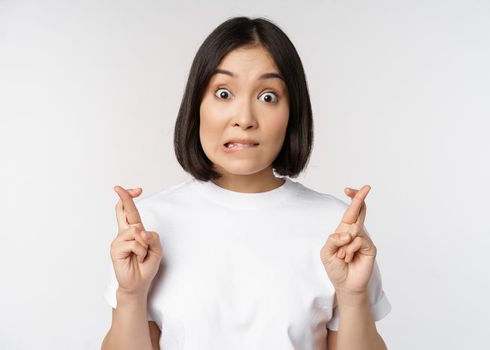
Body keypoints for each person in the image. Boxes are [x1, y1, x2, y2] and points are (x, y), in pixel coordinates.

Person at [101, 16, 390, 350]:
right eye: (223, 93)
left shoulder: (337, 229)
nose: (245, 119)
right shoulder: (150, 226)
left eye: (268, 97)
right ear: (197, 106)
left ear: (292, 113)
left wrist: (354, 298)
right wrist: (131, 295)